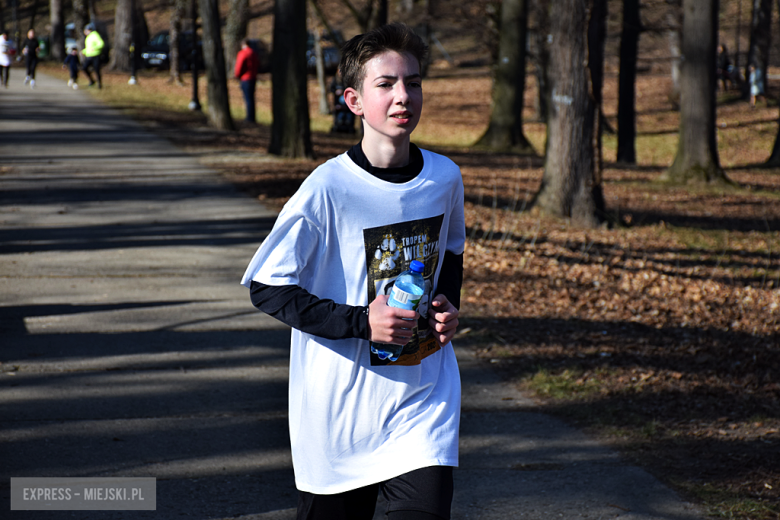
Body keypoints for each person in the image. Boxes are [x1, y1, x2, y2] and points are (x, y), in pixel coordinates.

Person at [240, 23, 464, 520]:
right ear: (354, 100)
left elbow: (449, 251)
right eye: (385, 84)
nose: (403, 95)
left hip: (423, 405)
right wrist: (364, 322)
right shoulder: (327, 189)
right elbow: (266, 286)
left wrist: (448, 304)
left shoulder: (445, 177)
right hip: (340, 416)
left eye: (414, 81)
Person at [234, 39, 259, 123]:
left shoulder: (243, 53)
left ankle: (249, 117)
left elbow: (239, 66)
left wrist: (237, 75)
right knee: (251, 98)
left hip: (245, 78)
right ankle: (252, 116)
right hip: (253, 77)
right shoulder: (254, 53)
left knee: (247, 98)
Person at [82, 24, 105, 89]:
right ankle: (92, 81)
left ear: (88, 30)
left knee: (97, 70)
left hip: (96, 55)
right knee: (84, 68)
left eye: (85, 30)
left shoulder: (95, 35)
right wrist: (83, 51)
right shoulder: (88, 37)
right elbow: (89, 48)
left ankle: (100, 84)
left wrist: (95, 48)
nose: (85, 32)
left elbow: (101, 44)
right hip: (89, 56)